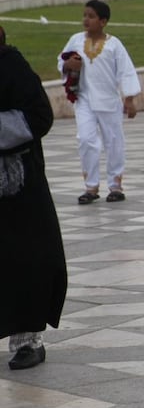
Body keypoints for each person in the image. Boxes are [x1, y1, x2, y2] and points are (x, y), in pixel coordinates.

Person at [1, 28, 67, 371]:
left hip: (17, 190)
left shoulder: (11, 66)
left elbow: (40, 116)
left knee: (24, 262)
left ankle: (27, 340)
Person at [58, 0, 141, 205]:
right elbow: (61, 60)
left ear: (103, 21)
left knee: (113, 142)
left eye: (91, 16)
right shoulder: (76, 40)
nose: (86, 19)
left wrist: (129, 99)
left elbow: (126, 72)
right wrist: (68, 64)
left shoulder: (114, 45)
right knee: (86, 139)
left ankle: (115, 185)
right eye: (84, 15)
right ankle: (91, 186)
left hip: (108, 101)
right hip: (84, 99)